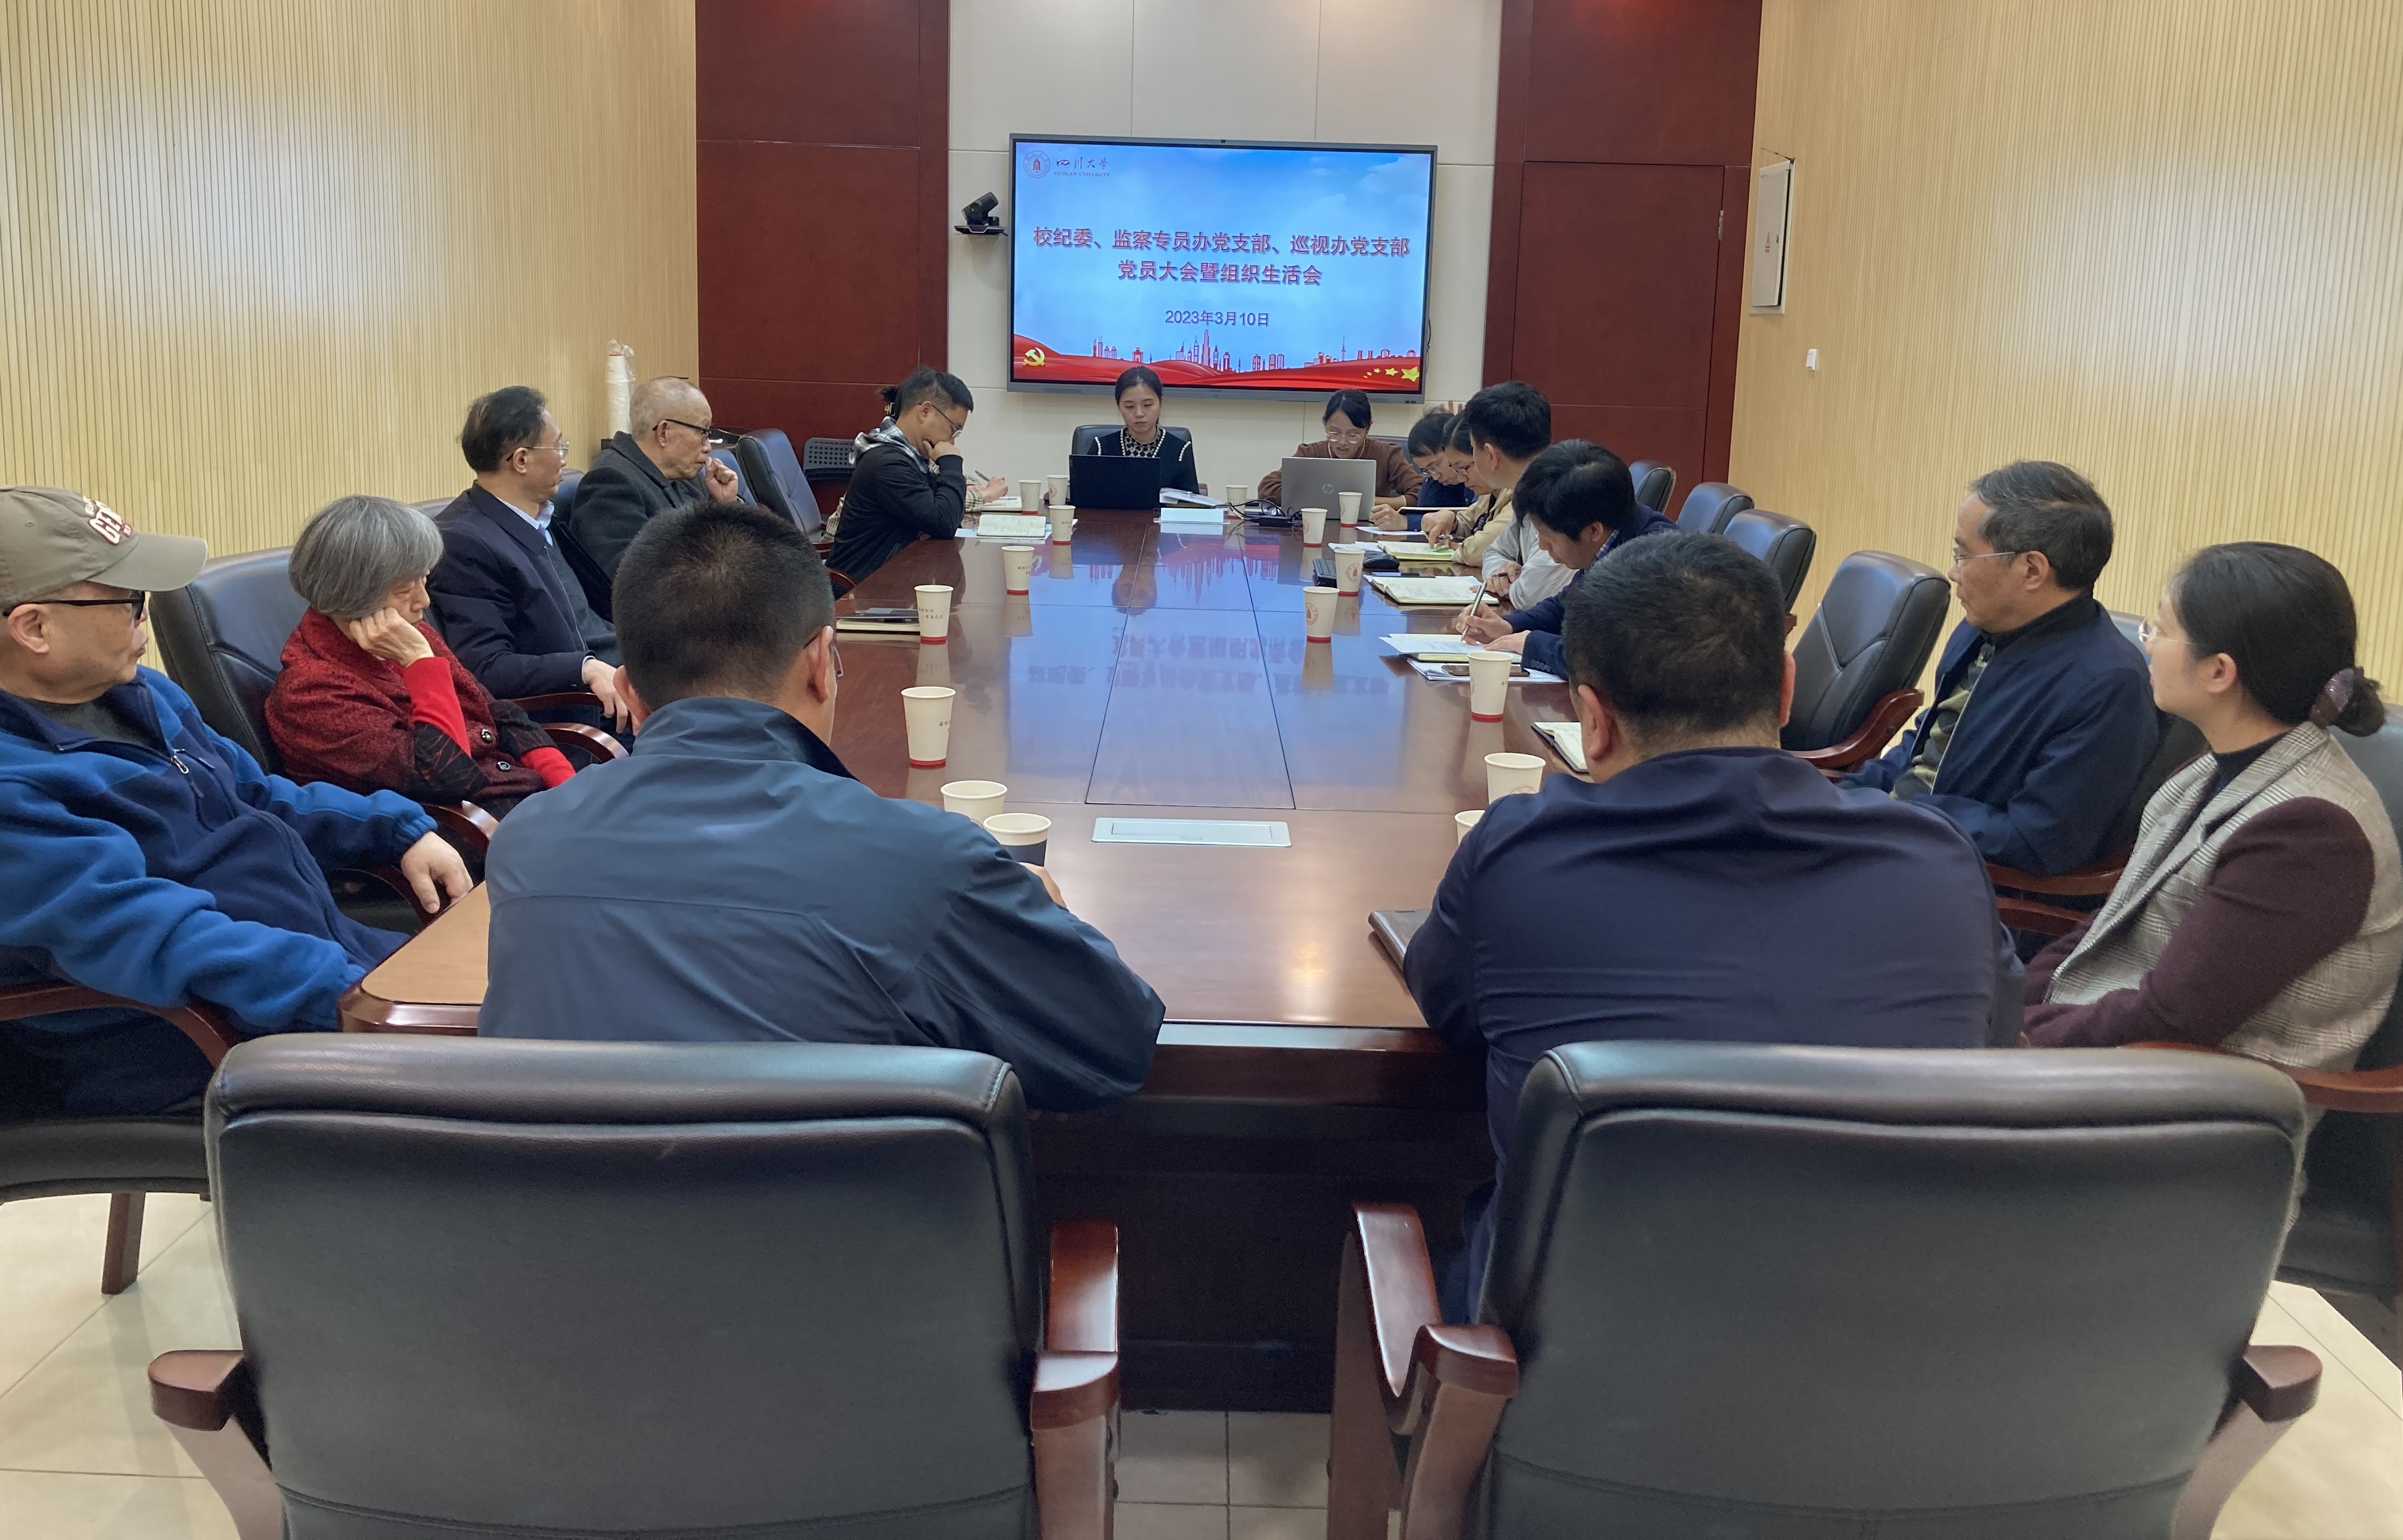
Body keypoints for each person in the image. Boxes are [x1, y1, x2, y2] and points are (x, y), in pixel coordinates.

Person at [1408, 533, 2019, 1312]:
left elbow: (1448, 1006)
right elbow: (1992, 1039)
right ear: (1788, 689)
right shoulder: (1939, 863)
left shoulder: (1519, 852)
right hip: (1889, 1337)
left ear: (1592, 720)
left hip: (1579, 1361)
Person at [480, 501, 1166, 1110]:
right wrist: (1042, 910)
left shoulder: (528, 844)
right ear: (820, 660)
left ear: (627, 693)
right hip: (851, 1221)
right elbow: (1114, 1044)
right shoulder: (926, 862)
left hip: (579, 1221)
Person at [0, 486, 470, 1118]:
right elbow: (154, 933)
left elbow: (255, 795)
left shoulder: (145, 695)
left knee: (542, 999)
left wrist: (396, 827)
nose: (143, 619)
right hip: (192, 1040)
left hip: (306, 972)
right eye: (128, 600)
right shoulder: (15, 784)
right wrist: (353, 997)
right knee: (519, 1106)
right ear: (35, 628)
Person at [2026, 544, 2402, 1066]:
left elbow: (2172, 1017)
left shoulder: (2310, 835)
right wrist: (2003, 1005)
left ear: (2219, 671)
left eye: (2159, 630)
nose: (2147, 645)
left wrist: (2015, 1037)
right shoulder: (2211, 769)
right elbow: (2110, 924)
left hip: (2202, 1096)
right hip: (2115, 1049)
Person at [1846, 462, 2158, 875]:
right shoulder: (1982, 629)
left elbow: (2039, 840)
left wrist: (1903, 813)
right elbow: (1926, 749)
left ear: (2031, 570)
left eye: (1964, 555)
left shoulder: (2108, 684)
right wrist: (1847, 797)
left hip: (1959, 878)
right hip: (1903, 840)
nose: (1954, 572)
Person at [269, 496, 579, 819]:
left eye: (424, 579)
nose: (424, 601)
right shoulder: (311, 695)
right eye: (406, 590)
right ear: (350, 594)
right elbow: (448, 777)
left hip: (523, 800)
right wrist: (420, 664)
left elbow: (491, 710)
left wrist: (568, 789)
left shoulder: (409, 633)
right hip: (467, 828)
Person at [427, 386, 631, 730]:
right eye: (559, 447)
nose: (564, 459)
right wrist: (583, 668)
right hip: (586, 711)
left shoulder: (539, 518)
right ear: (521, 460)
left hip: (624, 675)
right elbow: (486, 666)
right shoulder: (465, 542)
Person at [1457, 440, 1679, 677]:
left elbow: (1611, 661)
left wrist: (1535, 646)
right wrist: (1510, 625)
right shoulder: (1612, 533)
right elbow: (1569, 603)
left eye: (1548, 537)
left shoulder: (1652, 564)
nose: (1542, 546)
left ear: (1593, 531)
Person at [558, 375, 741, 611]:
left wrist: (725, 505)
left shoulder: (688, 477)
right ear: (664, 432)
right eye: (703, 432)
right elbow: (632, 583)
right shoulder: (611, 482)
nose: (708, 447)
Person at [825, 367, 977, 582]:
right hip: (859, 590)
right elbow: (944, 523)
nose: (952, 440)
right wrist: (951, 464)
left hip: (891, 579)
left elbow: (948, 513)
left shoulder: (911, 458)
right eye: (954, 429)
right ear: (926, 412)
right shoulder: (888, 464)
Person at [1449, 381, 1573, 606]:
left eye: (1473, 448)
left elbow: (1530, 595)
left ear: (1491, 455)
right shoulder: (1524, 490)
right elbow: (1493, 552)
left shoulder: (1561, 497)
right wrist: (1500, 573)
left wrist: (1511, 584)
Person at [1255, 389, 1423, 513]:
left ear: (1367, 429)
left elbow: (1421, 493)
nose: (1343, 442)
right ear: (1325, 425)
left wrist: (1369, 503)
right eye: (1334, 433)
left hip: (1370, 534)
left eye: (1353, 435)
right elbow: (1267, 487)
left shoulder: (1386, 454)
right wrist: (1318, 499)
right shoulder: (1311, 453)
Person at [1086, 365, 1200, 493]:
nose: (1139, 414)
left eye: (1148, 405)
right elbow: (1085, 497)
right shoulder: (1102, 448)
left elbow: (1191, 502)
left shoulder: (1180, 450)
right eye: (1129, 407)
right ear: (1119, 406)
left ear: (1160, 403)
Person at [1404, 409, 1475, 510]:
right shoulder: (1435, 481)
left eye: (1435, 466)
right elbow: (1425, 512)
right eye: (1427, 471)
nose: (1436, 477)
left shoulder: (1478, 478)